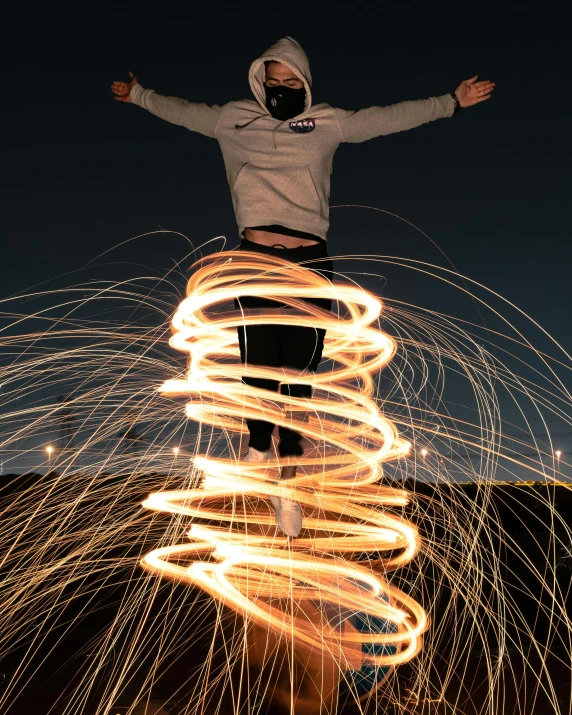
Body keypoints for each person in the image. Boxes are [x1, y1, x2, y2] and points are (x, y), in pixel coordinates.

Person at [111, 36, 494, 537]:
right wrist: (140, 95)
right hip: (256, 258)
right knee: (260, 365)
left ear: (306, 83)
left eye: (293, 82)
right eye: (275, 83)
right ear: (261, 84)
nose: (284, 89)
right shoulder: (234, 121)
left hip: (310, 259)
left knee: (298, 381)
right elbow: (184, 112)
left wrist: (449, 103)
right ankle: (257, 445)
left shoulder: (326, 122)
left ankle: (286, 493)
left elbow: (384, 118)